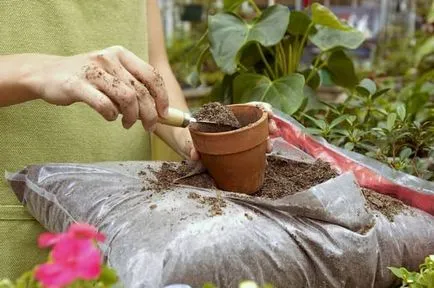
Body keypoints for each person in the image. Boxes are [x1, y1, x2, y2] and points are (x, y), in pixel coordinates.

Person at [0, 0, 277, 280]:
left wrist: (190, 138)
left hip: (128, 229)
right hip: (18, 228)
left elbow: (154, 68)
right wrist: (36, 71)